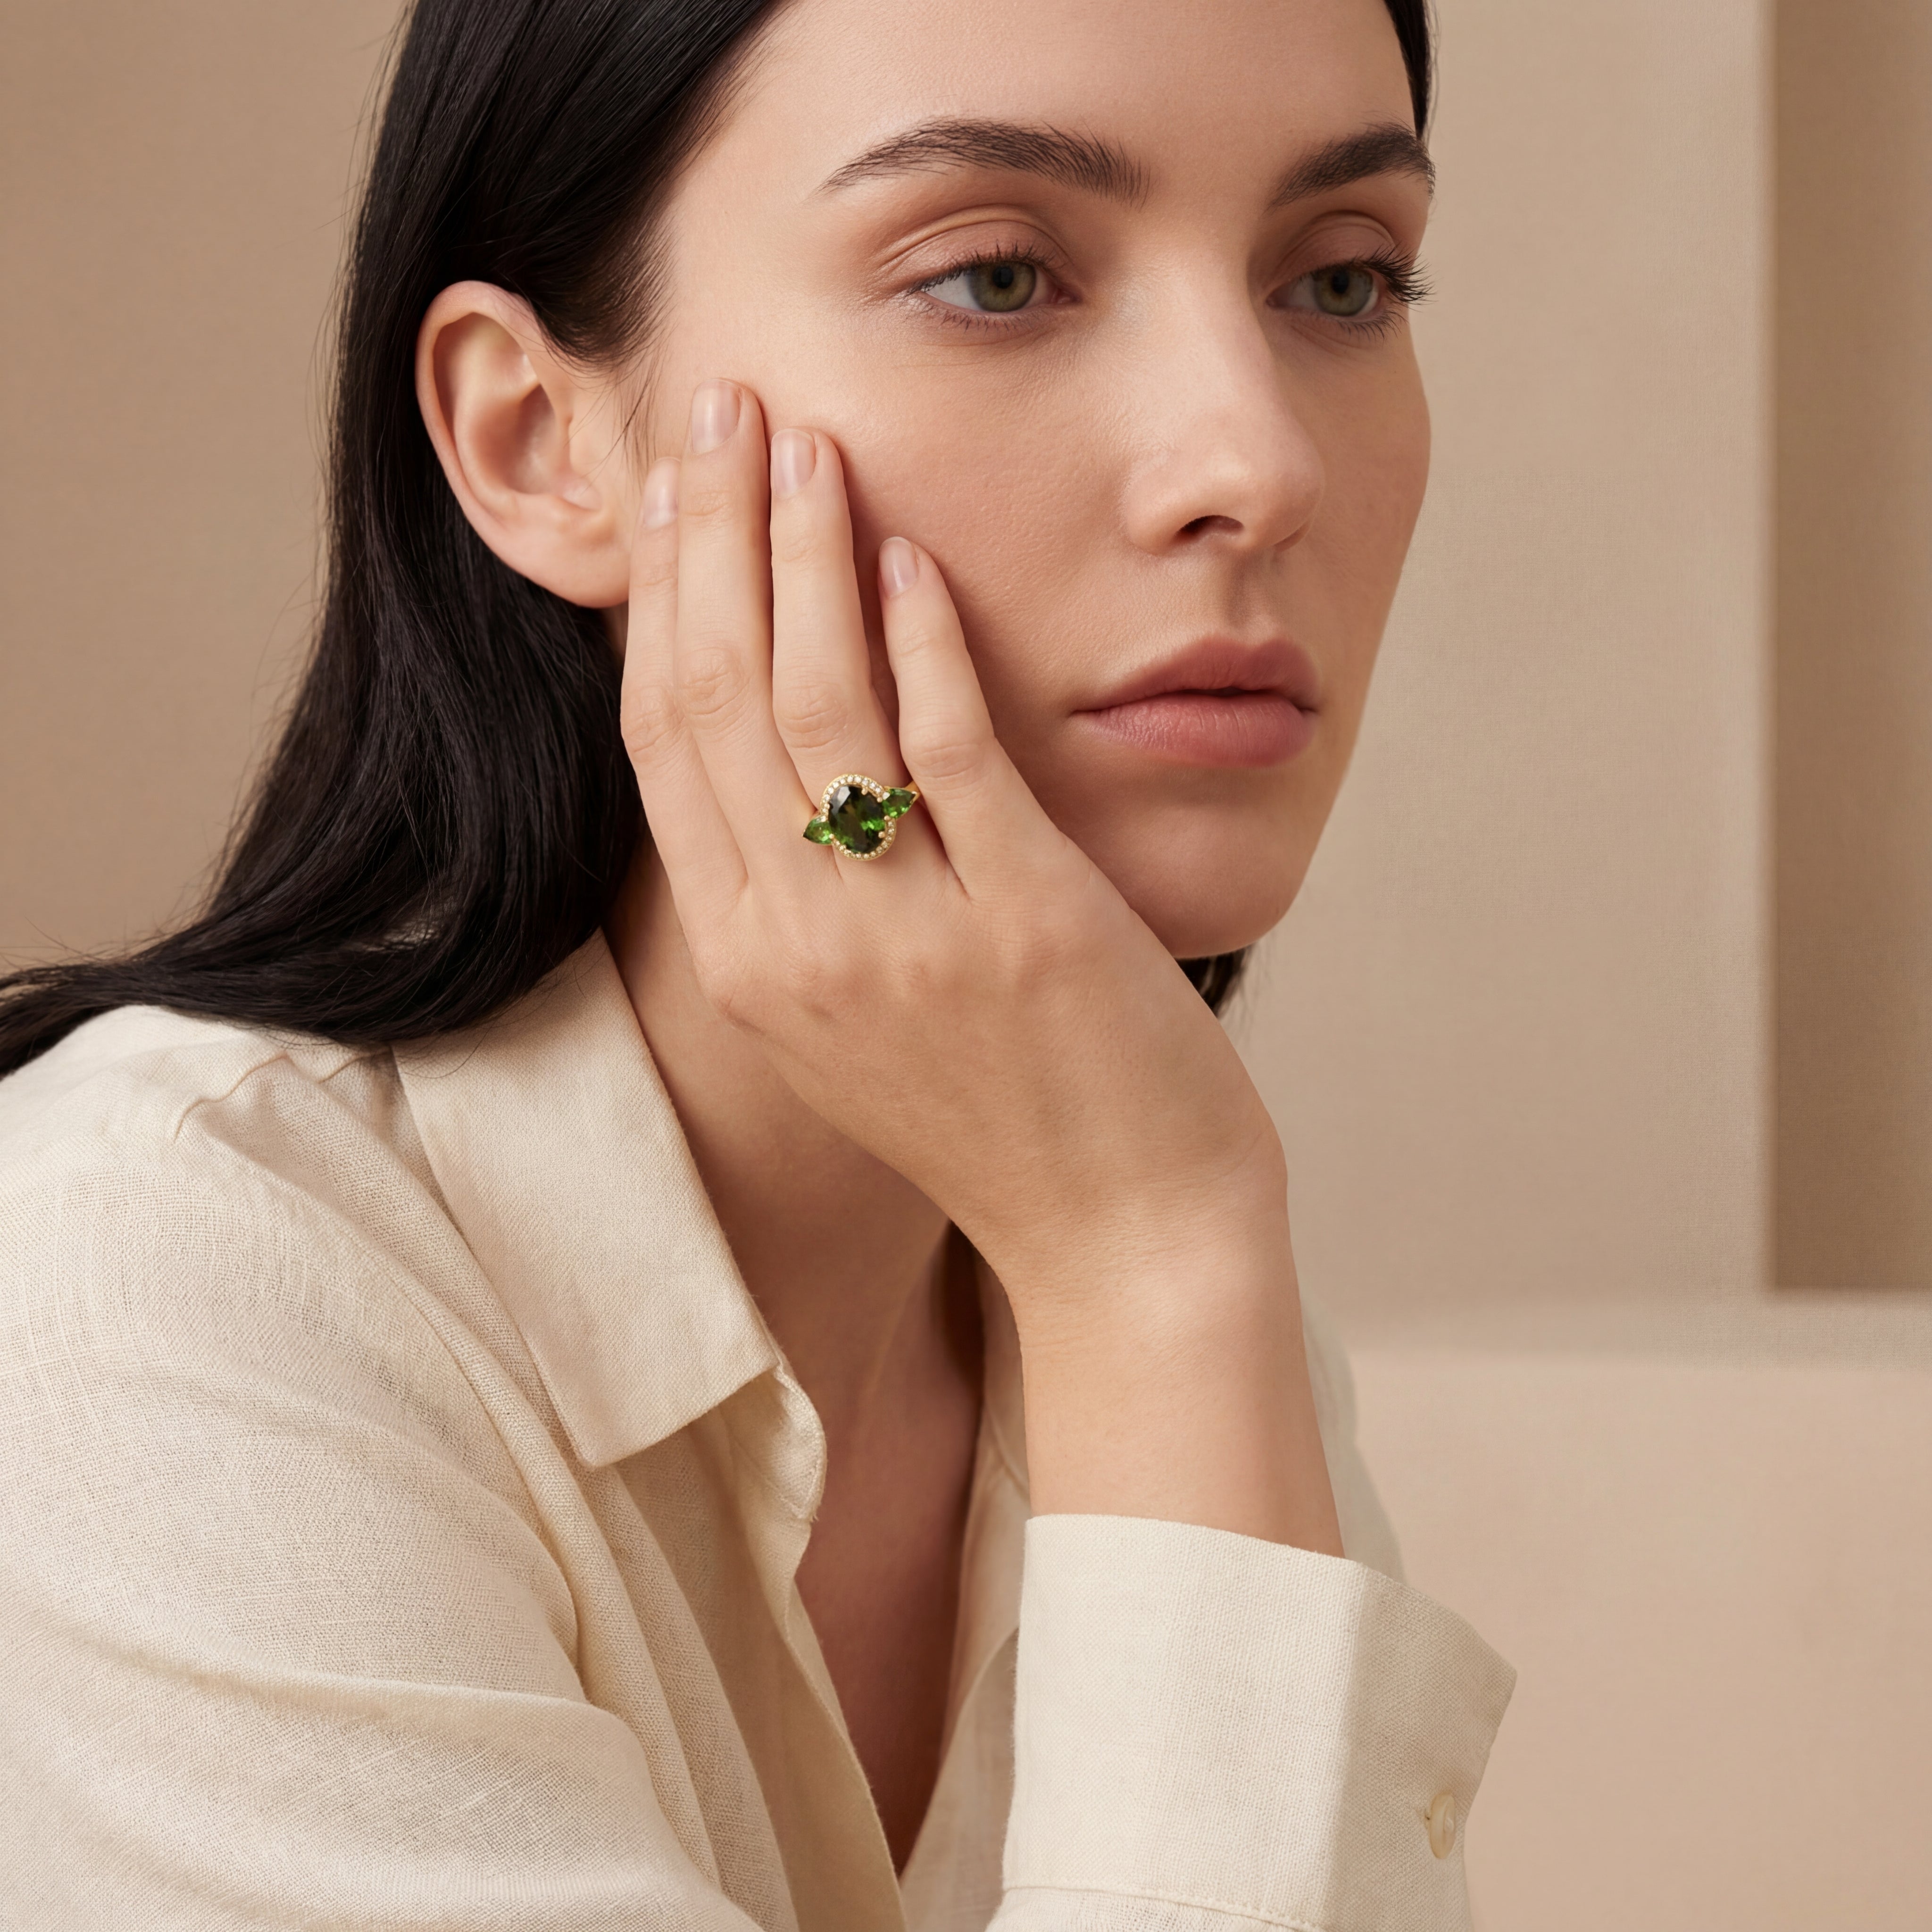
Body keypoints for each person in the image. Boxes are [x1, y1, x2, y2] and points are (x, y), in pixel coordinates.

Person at [0, 0, 1515, 1925]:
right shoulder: (134, 1312)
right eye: (994, 273)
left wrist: (1151, 1275)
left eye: (1340, 281)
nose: (1256, 463)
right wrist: (1154, 1261)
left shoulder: (1134, 1293)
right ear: (537, 437)